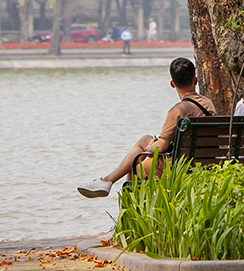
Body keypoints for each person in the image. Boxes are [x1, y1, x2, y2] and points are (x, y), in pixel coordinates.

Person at [76, 57, 216, 197]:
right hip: (206, 160)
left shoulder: (178, 111)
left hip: (180, 165)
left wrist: (150, 147)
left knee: (135, 163)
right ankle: (106, 181)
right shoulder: (208, 104)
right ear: (195, 80)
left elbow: (160, 148)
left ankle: (115, 190)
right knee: (145, 140)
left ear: (172, 84)